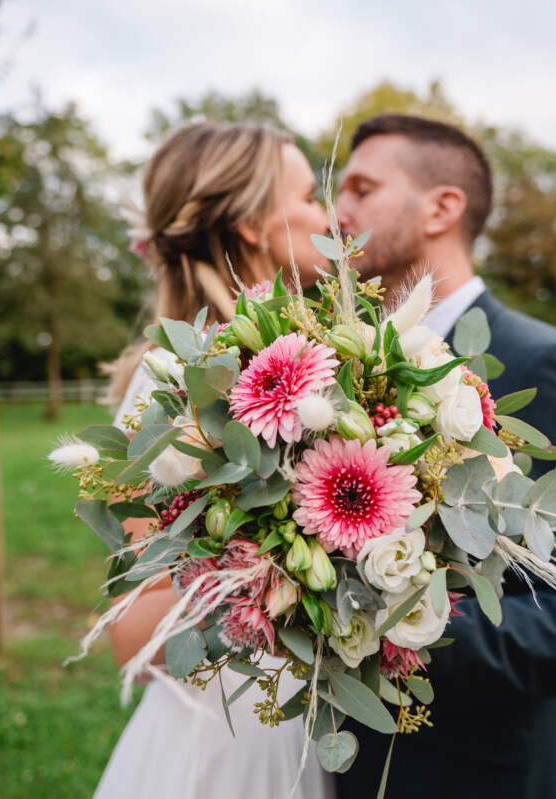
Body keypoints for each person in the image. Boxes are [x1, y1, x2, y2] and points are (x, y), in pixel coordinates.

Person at [333, 114, 556, 797]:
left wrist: (376, 628)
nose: (336, 210)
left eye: (362, 188)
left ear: (442, 206)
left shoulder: (548, 365)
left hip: (481, 773)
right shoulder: (343, 373)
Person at [93, 121, 336, 799]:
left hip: (305, 720)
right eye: (311, 197)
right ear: (255, 223)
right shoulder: (183, 382)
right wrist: (293, 568)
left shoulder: (316, 359)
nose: (330, 217)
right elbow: (131, 634)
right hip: (231, 743)